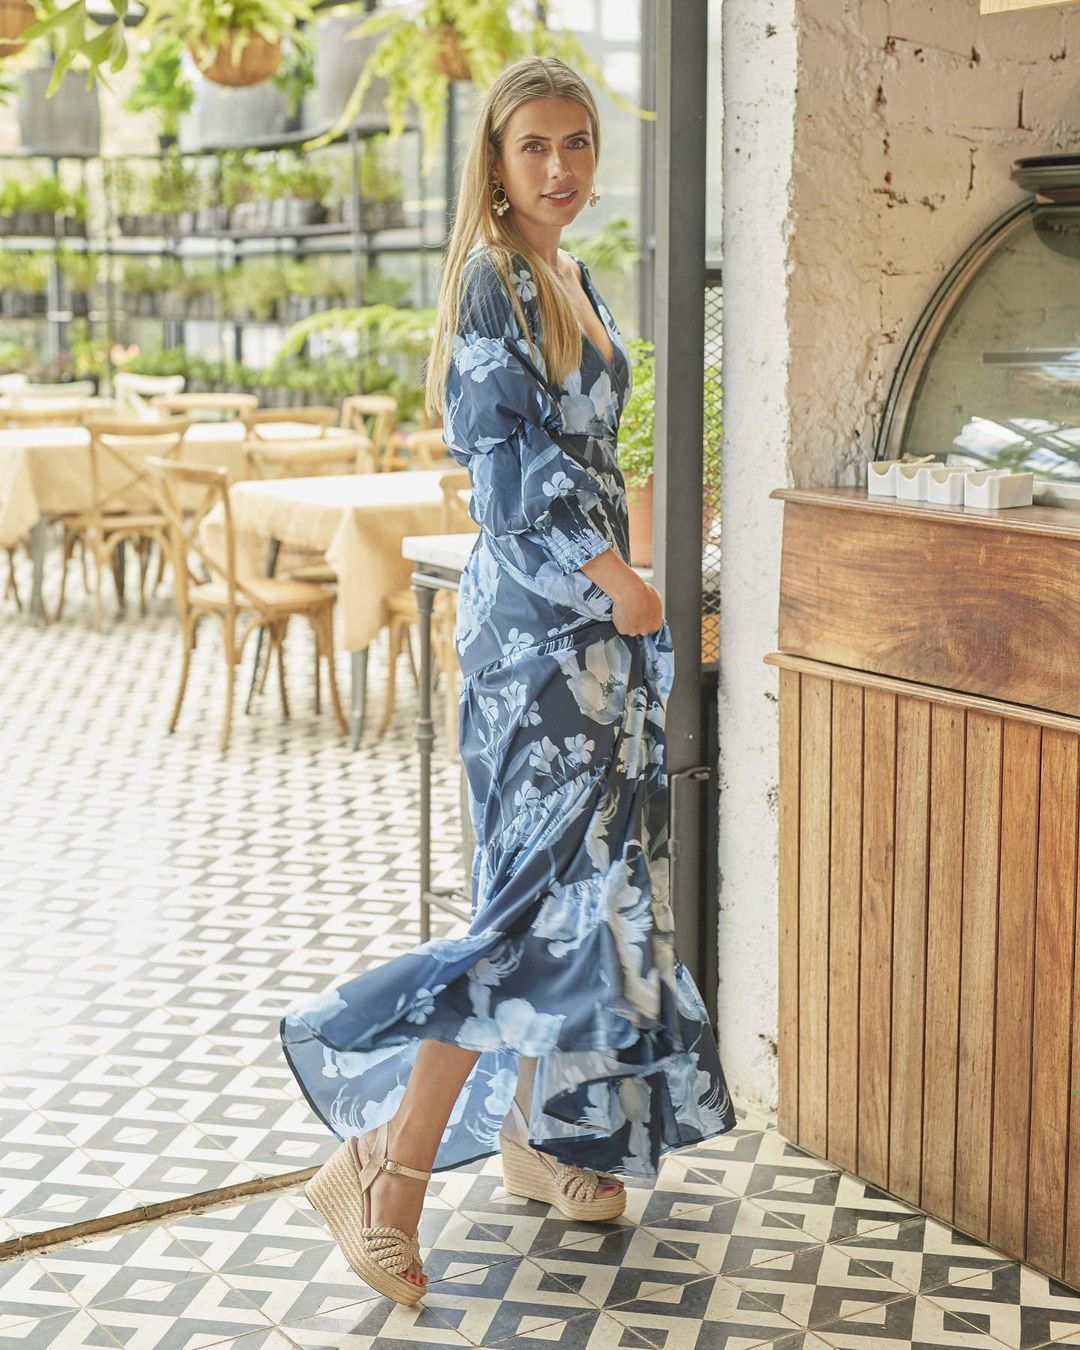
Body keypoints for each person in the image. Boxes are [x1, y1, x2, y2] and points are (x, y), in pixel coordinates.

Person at [280, 53, 737, 1307]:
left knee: (583, 896)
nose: (560, 166)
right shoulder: (494, 279)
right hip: (541, 638)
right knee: (531, 908)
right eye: (535, 145)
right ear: (495, 160)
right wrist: (617, 578)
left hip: (590, 636)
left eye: (577, 142)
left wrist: (625, 587)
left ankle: (533, 1139)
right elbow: (509, 468)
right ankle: (385, 1166)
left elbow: (587, 454)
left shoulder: (570, 273)